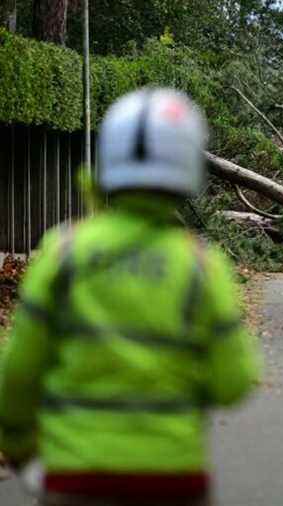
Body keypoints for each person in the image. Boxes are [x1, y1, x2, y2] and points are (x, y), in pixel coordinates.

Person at [0, 88, 262, 506]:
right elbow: (233, 384)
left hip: (75, 477)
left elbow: (17, 373)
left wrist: (17, 444)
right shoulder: (200, 265)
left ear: (107, 162)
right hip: (172, 480)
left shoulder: (63, 253)